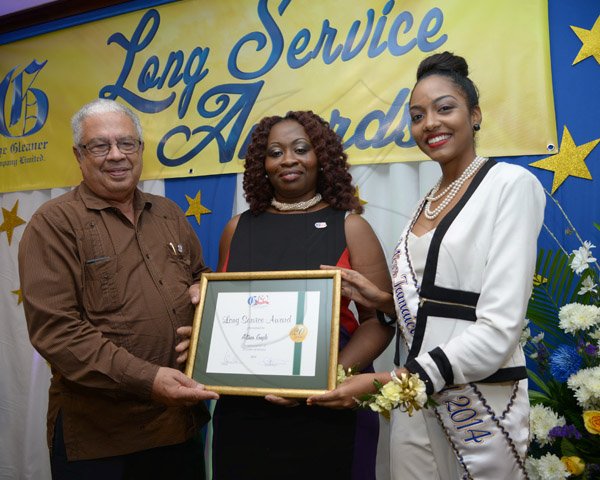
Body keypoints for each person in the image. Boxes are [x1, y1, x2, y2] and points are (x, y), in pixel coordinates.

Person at [308, 52, 546, 480]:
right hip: (413, 401)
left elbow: (499, 327)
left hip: (477, 404)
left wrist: (389, 383)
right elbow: (437, 306)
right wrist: (382, 299)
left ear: (475, 115)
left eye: (445, 108)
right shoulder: (426, 201)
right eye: (418, 115)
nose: (430, 123)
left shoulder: (510, 185)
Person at [18, 98, 219, 480]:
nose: (116, 155)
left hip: (179, 428)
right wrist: (149, 379)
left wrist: (201, 292)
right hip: (103, 439)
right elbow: (57, 332)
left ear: (140, 150)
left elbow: (198, 274)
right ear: (79, 155)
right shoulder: (55, 223)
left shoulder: (169, 213)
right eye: (100, 145)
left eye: (126, 143)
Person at [211, 110, 395, 479]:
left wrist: (327, 379)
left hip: (329, 406)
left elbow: (380, 321)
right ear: (262, 164)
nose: (288, 160)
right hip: (245, 410)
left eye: (300, 149)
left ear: (321, 158)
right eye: (275, 152)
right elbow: (224, 315)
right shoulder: (237, 228)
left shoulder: (351, 226)